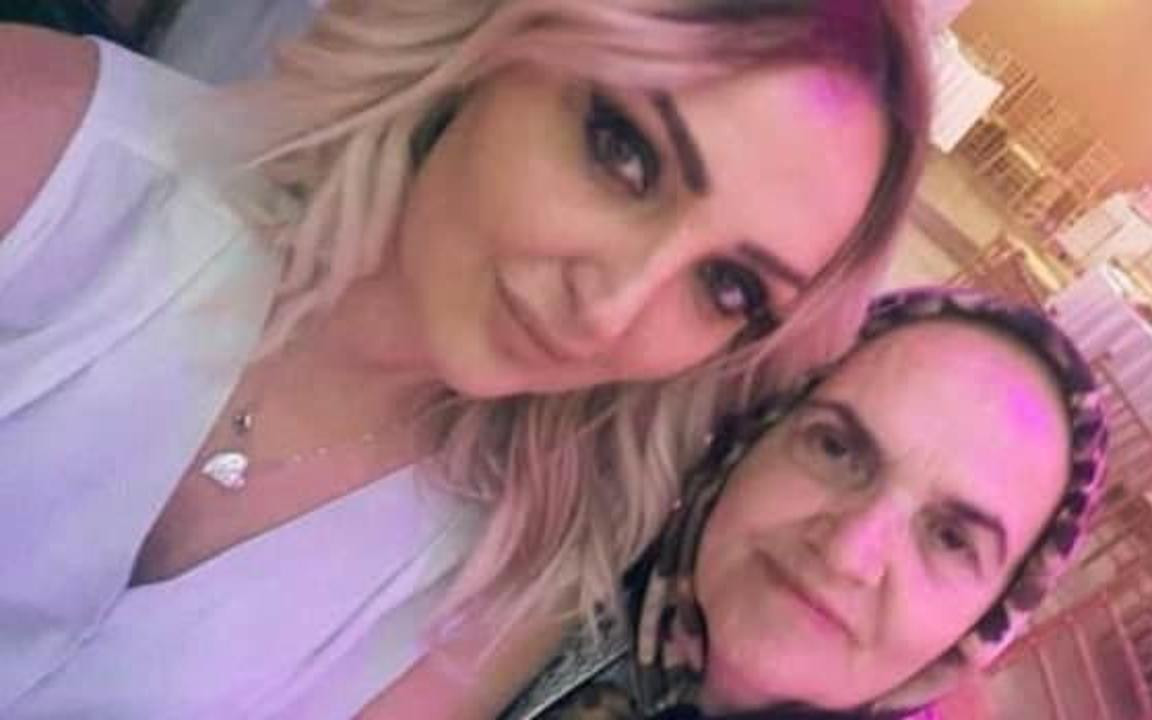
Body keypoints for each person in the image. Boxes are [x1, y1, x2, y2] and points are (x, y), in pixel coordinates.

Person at [0, 1, 930, 717]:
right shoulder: (53, 155)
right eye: (622, 152)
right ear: (495, 43)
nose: (612, 308)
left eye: (727, 286)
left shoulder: (505, 587)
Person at [504, 287, 1109, 719]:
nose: (847, 553)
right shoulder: (522, 554)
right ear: (751, 439)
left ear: (982, 625)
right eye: (835, 447)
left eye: (951, 538)